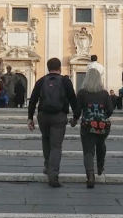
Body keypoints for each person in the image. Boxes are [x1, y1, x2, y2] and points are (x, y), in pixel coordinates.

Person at [28, 58, 79, 188]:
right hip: (59, 116)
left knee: (46, 140)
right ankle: (53, 174)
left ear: (47, 67)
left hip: (43, 116)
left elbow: (33, 99)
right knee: (56, 146)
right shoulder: (65, 81)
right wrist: (76, 117)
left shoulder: (41, 81)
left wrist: (30, 118)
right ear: (60, 68)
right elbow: (73, 99)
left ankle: (47, 166)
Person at [73, 62, 112, 188]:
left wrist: (75, 119)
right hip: (102, 125)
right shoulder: (105, 93)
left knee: (88, 151)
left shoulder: (82, 93)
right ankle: (100, 166)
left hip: (87, 125)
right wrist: (102, 115)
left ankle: (90, 176)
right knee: (101, 144)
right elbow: (110, 110)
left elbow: (77, 111)